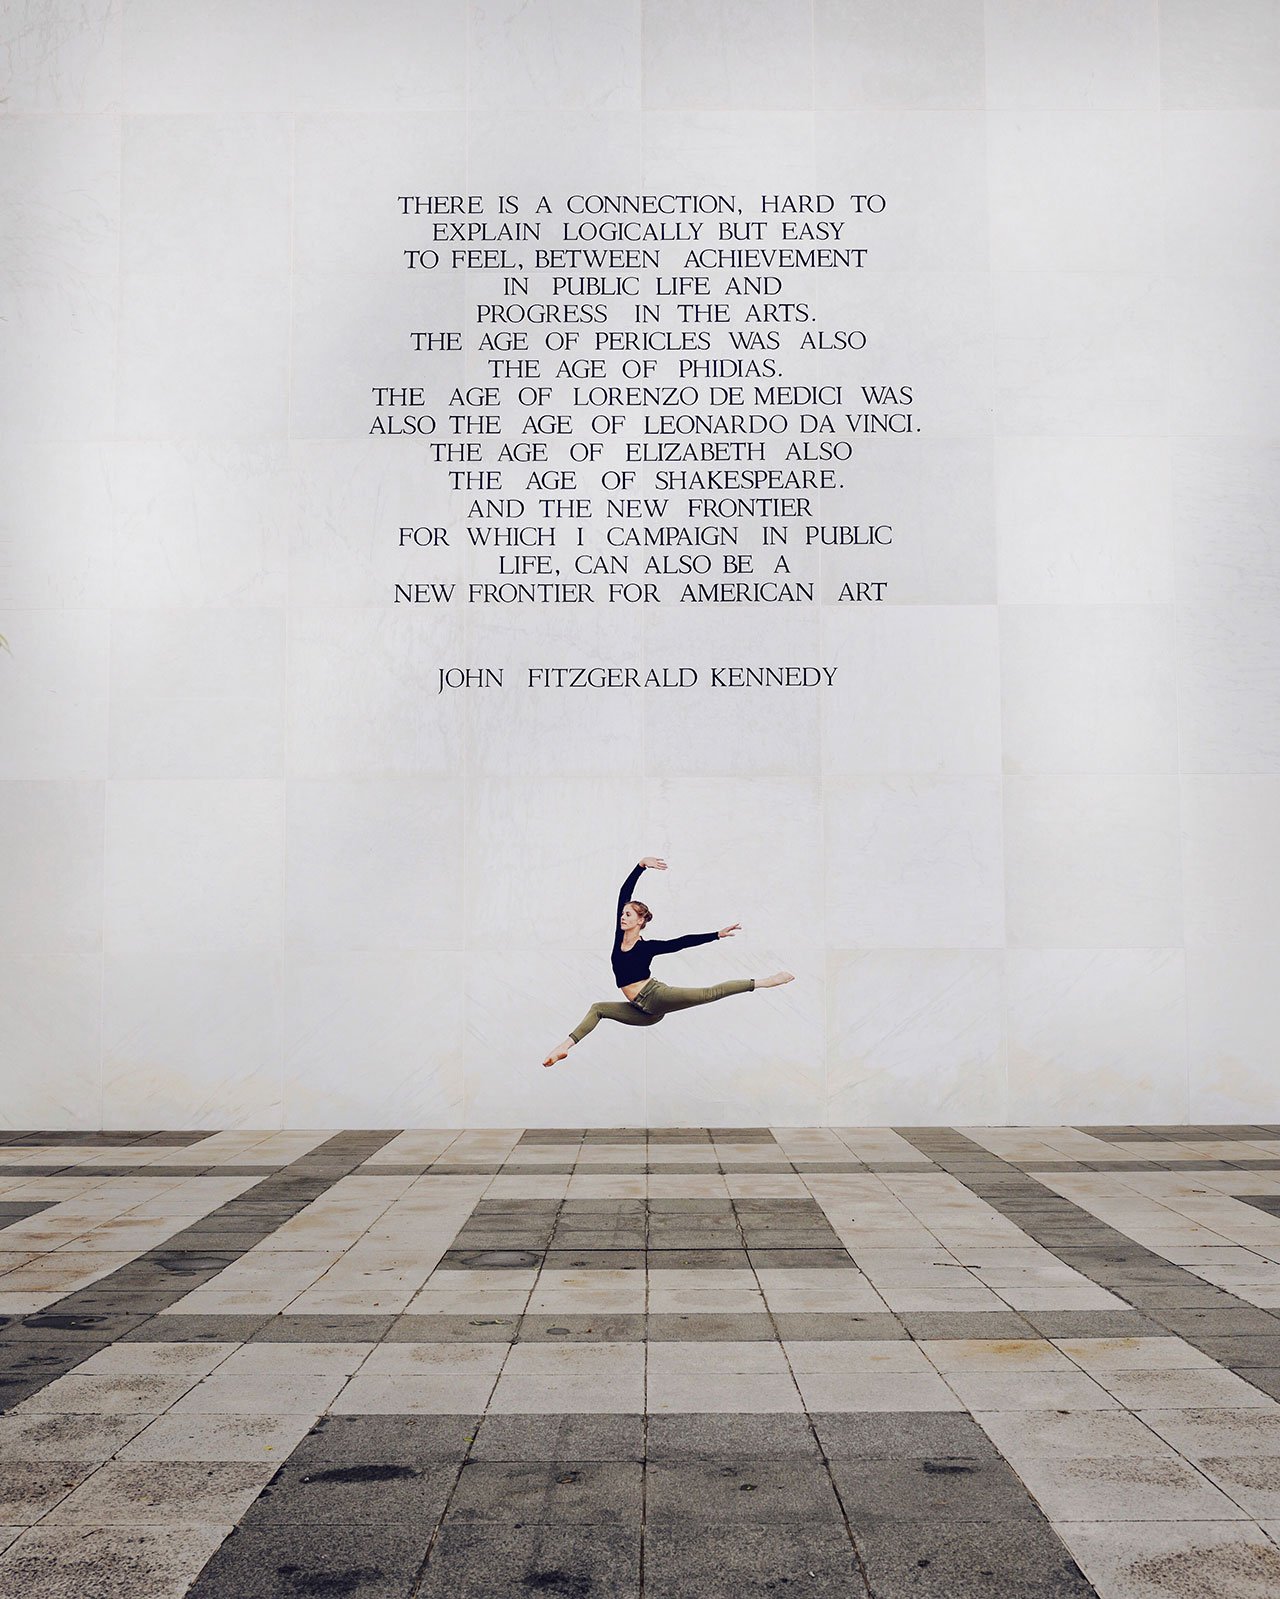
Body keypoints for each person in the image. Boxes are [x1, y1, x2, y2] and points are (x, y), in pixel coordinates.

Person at [542, 856, 794, 1066]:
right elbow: (623, 893)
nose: (623, 917)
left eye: (628, 914)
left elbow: (681, 942)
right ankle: (561, 1049)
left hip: (655, 996)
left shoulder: (647, 948)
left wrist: (716, 935)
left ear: (640, 920)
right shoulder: (619, 937)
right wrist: (640, 866)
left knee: (709, 993)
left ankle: (765, 981)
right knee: (598, 1008)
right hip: (643, 1013)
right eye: (622, 914)